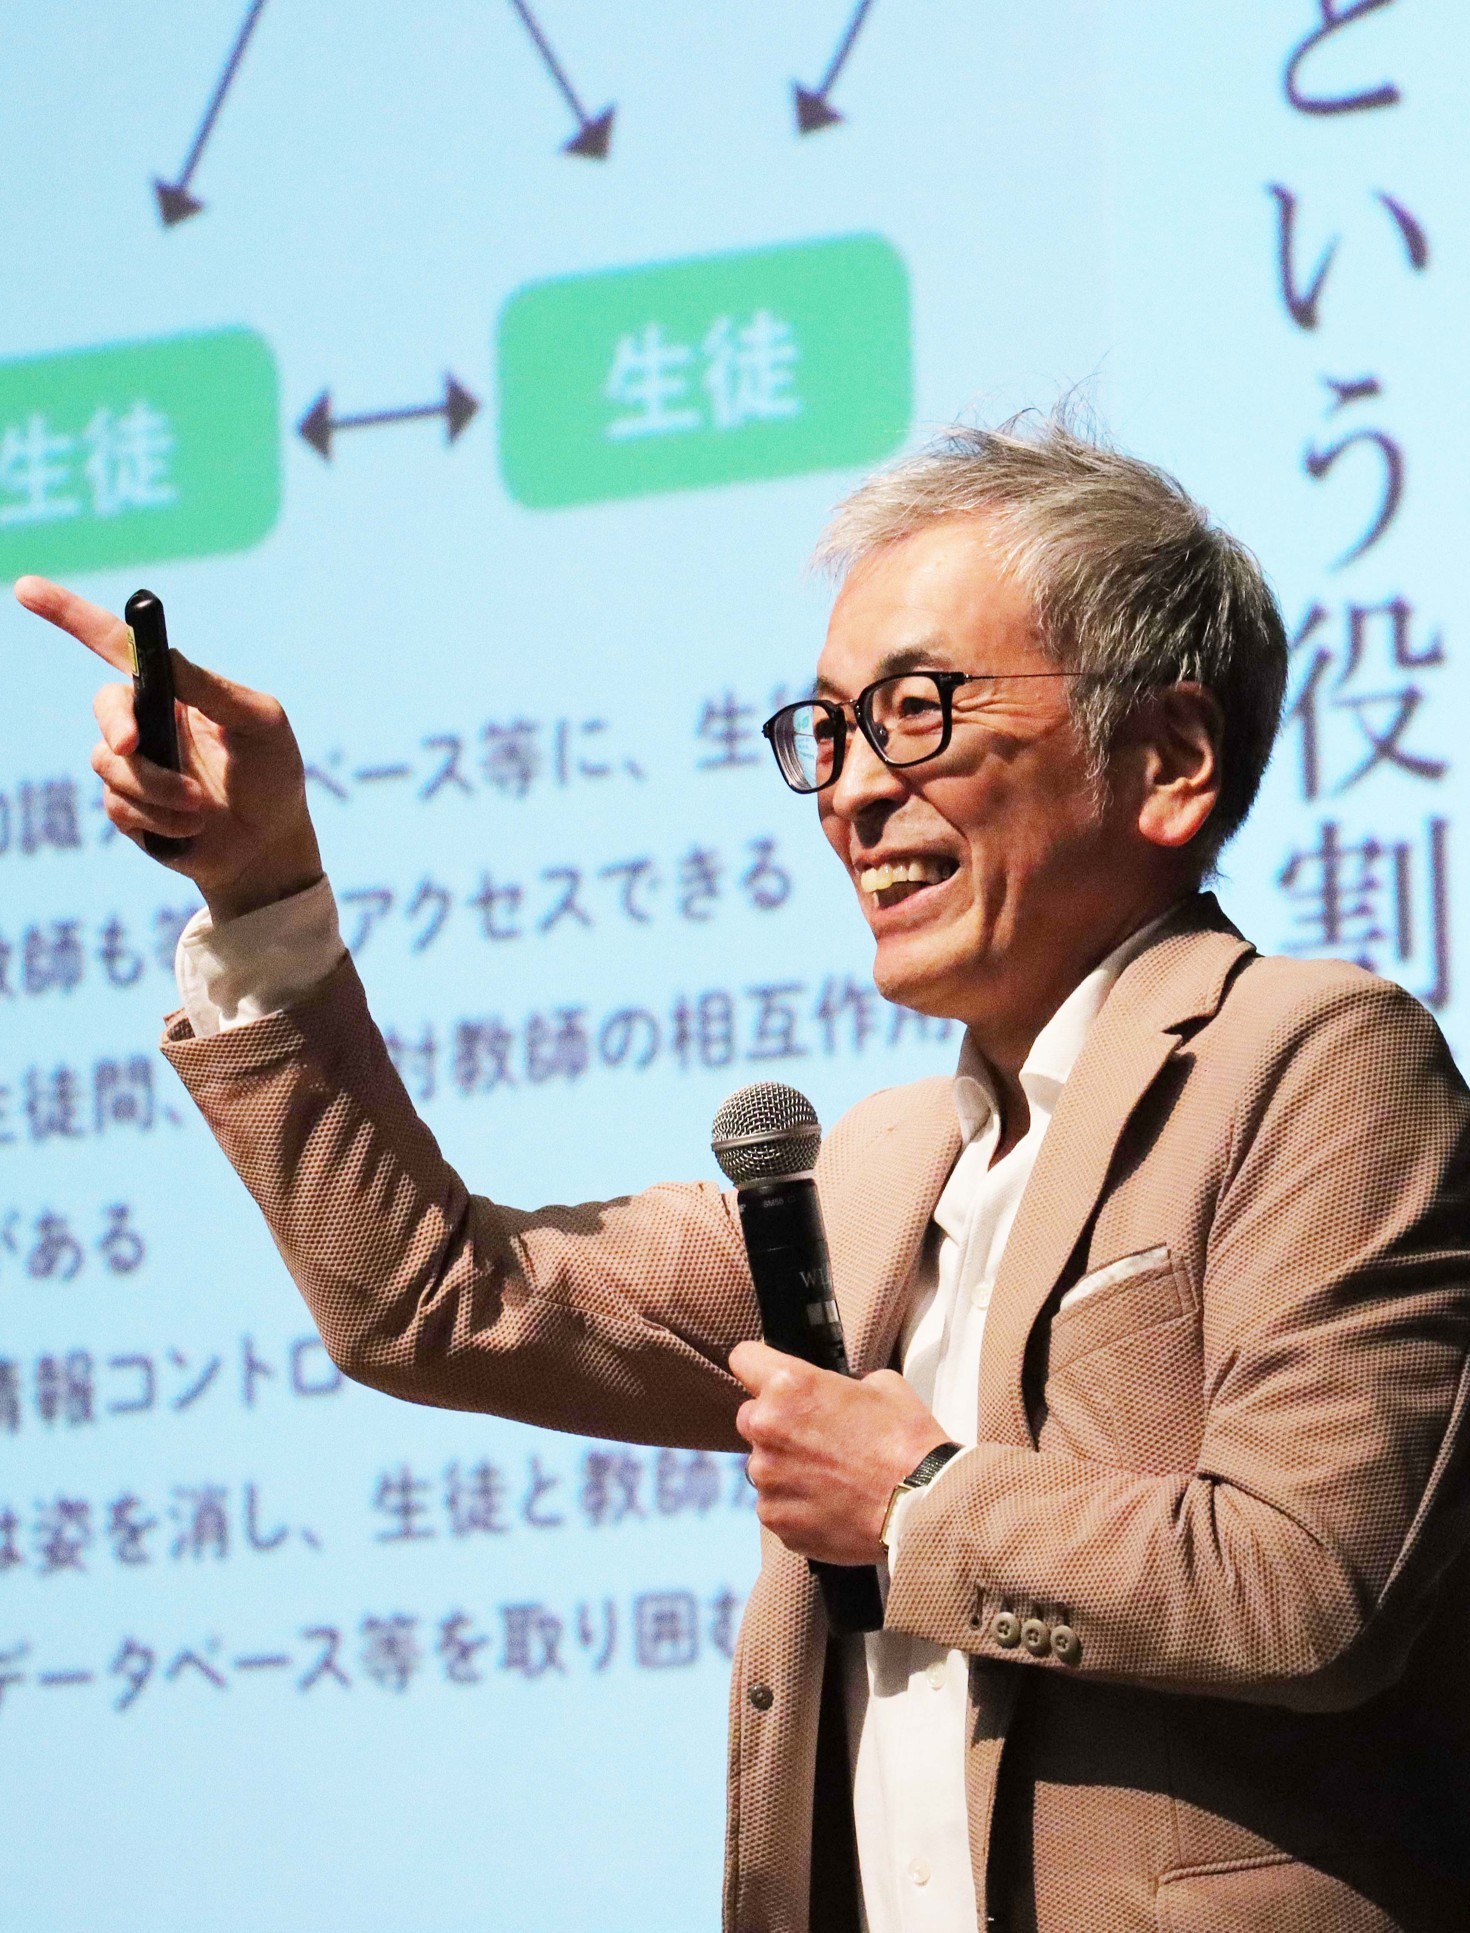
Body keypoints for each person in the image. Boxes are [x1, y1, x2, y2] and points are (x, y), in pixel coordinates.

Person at [18, 419, 1470, 1933]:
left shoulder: (1308, 1058)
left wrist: (912, 1504)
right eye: (828, 731)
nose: (851, 792)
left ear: (1168, 760)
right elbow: (437, 1299)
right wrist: (261, 884)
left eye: (914, 711)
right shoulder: (881, 1170)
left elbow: (1314, 1585)